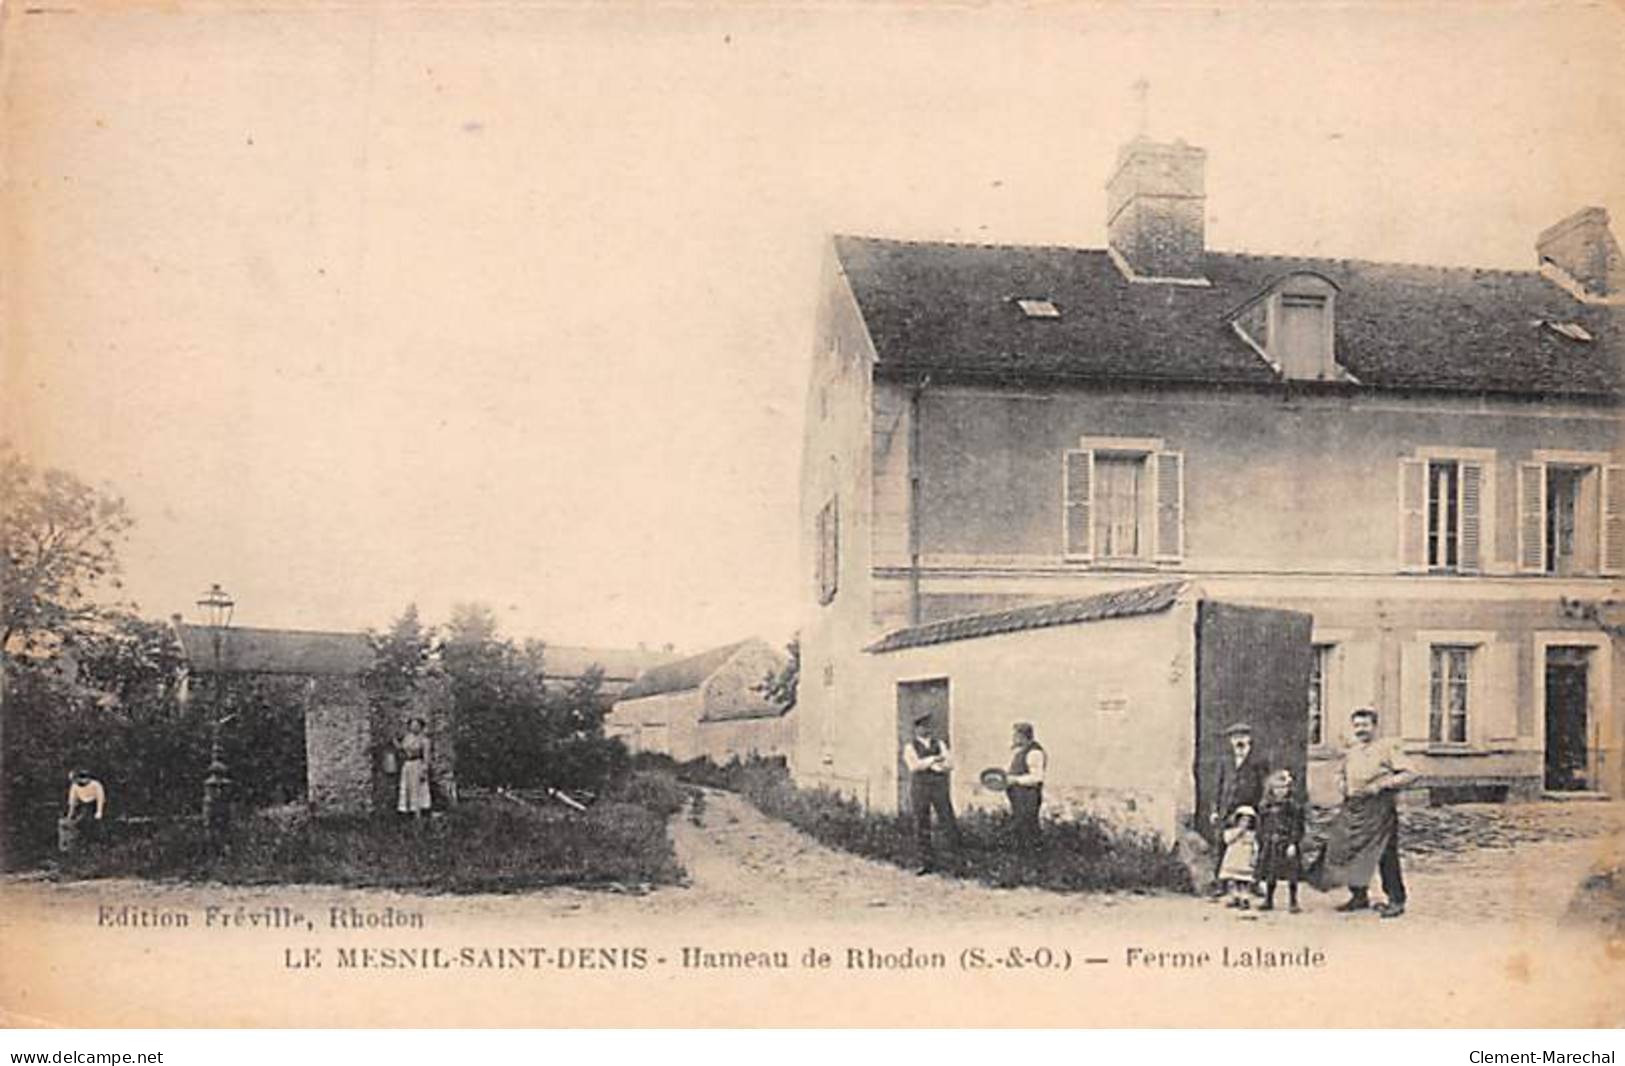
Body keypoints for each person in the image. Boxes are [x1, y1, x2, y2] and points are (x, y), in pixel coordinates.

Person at [1310, 706, 1418, 918]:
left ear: (1375, 727)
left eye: (1365, 725)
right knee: (1348, 848)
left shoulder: (1387, 748)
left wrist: (1381, 785)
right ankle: (1359, 895)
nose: (1361, 730)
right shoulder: (1352, 751)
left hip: (1379, 808)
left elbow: (1410, 773)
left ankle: (1396, 899)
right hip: (1354, 807)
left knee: (1385, 854)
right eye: (1357, 725)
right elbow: (1340, 773)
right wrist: (1342, 783)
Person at [1210, 722, 1268, 892]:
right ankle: (1221, 883)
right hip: (1226, 809)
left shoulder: (1258, 760)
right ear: (1230, 741)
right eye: (1235, 738)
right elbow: (1217, 786)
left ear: (1249, 739)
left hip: (1250, 810)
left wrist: (1260, 809)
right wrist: (1214, 809)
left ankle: (1254, 883)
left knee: (1251, 846)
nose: (1239, 741)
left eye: (1242, 737)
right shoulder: (1225, 760)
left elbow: (1264, 786)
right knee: (1221, 843)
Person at [902, 712, 960, 874]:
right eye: (922, 726)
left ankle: (953, 862)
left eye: (928, 726)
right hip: (920, 787)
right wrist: (934, 760)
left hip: (939, 786)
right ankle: (925, 863)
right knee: (922, 823)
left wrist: (933, 764)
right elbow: (914, 766)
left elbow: (950, 764)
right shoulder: (910, 747)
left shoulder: (940, 744)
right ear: (916, 729)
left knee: (947, 820)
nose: (926, 729)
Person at [1256, 768, 1305, 913]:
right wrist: (1260, 840)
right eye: (1277, 788)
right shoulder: (1265, 806)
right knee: (1271, 872)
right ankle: (1269, 899)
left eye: (1284, 788)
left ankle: (1293, 901)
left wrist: (1293, 843)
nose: (1280, 791)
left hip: (1286, 841)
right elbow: (1261, 825)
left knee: (1292, 872)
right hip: (1270, 842)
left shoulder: (1293, 806)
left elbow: (1297, 826)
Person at [1004, 722, 1046, 849]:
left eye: (1015, 735)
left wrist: (1015, 780)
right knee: (1020, 828)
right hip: (1019, 796)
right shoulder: (1021, 751)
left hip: (1029, 796)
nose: (1013, 738)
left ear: (1023, 736)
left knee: (1028, 827)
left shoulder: (1034, 753)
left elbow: (1037, 778)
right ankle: (1023, 858)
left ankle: (1034, 858)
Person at [1217, 806, 1259, 909]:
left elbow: (1255, 846)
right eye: (1242, 820)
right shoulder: (1231, 831)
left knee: (1244, 880)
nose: (1245, 823)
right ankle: (1234, 896)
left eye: (1248, 821)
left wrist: (1254, 856)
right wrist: (1239, 831)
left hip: (1245, 858)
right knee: (1232, 879)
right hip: (1233, 857)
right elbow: (1227, 840)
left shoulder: (1252, 834)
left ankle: (1244, 898)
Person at [396, 717, 433, 820]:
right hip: (407, 765)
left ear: (421, 727)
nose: (414, 727)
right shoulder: (407, 738)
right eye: (412, 725)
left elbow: (426, 756)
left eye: (417, 725)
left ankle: (418, 813)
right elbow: (402, 750)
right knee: (407, 787)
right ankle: (407, 812)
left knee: (417, 788)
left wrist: (424, 770)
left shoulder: (424, 740)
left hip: (417, 764)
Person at [61, 768, 106, 850]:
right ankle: (82, 843)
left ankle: (99, 842)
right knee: (81, 822)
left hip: (94, 805)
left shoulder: (95, 785)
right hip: (83, 806)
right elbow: (72, 802)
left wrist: (99, 811)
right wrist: (70, 815)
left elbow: (100, 798)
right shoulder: (75, 786)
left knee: (96, 824)